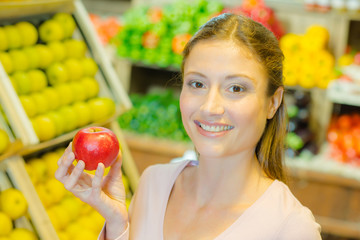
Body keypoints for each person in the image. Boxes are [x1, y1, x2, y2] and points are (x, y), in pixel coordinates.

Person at [55, 13, 322, 240]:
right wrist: (117, 225)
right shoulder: (153, 183)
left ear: (272, 103)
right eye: (197, 84)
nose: (210, 107)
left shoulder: (291, 227)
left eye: (236, 88)